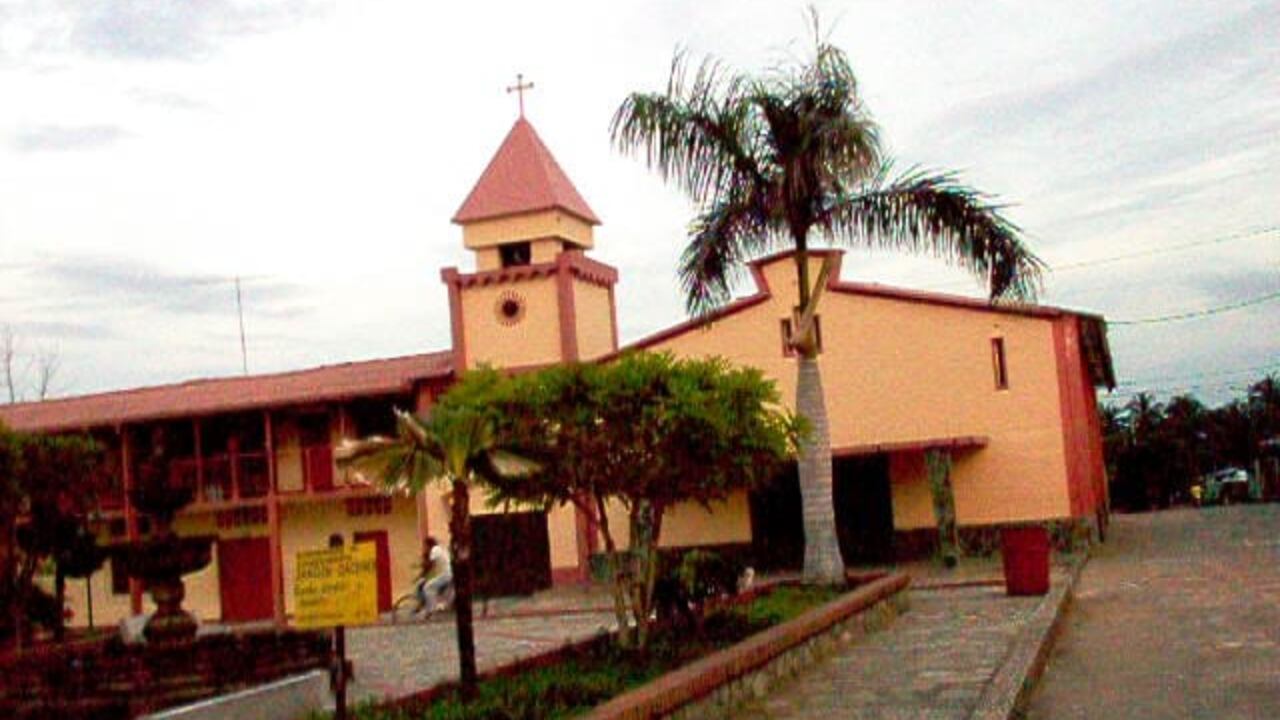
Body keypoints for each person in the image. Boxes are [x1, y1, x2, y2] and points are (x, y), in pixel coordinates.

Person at [416, 536, 452, 614]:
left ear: (429, 545)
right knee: (431, 586)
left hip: (445, 574)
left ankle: (431, 609)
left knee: (427, 587)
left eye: (425, 545)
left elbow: (430, 565)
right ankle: (436, 605)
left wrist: (421, 575)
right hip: (447, 574)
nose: (424, 548)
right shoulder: (440, 549)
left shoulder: (435, 550)